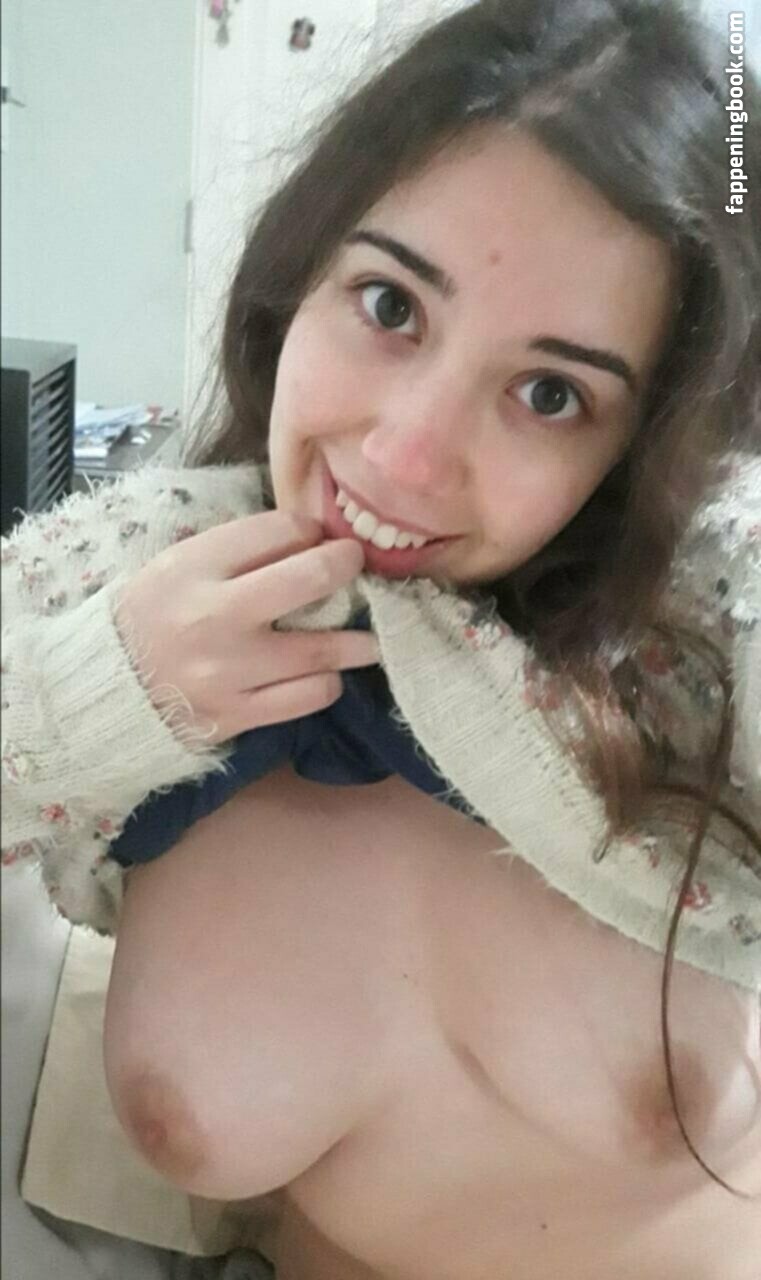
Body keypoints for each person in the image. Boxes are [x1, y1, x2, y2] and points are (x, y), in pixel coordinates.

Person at [2, 0, 760, 1275]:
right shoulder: (130, 582)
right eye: (389, 304)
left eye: (549, 392)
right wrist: (87, 698)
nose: (403, 455)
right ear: (297, 276)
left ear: (650, 442)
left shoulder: (700, 640)